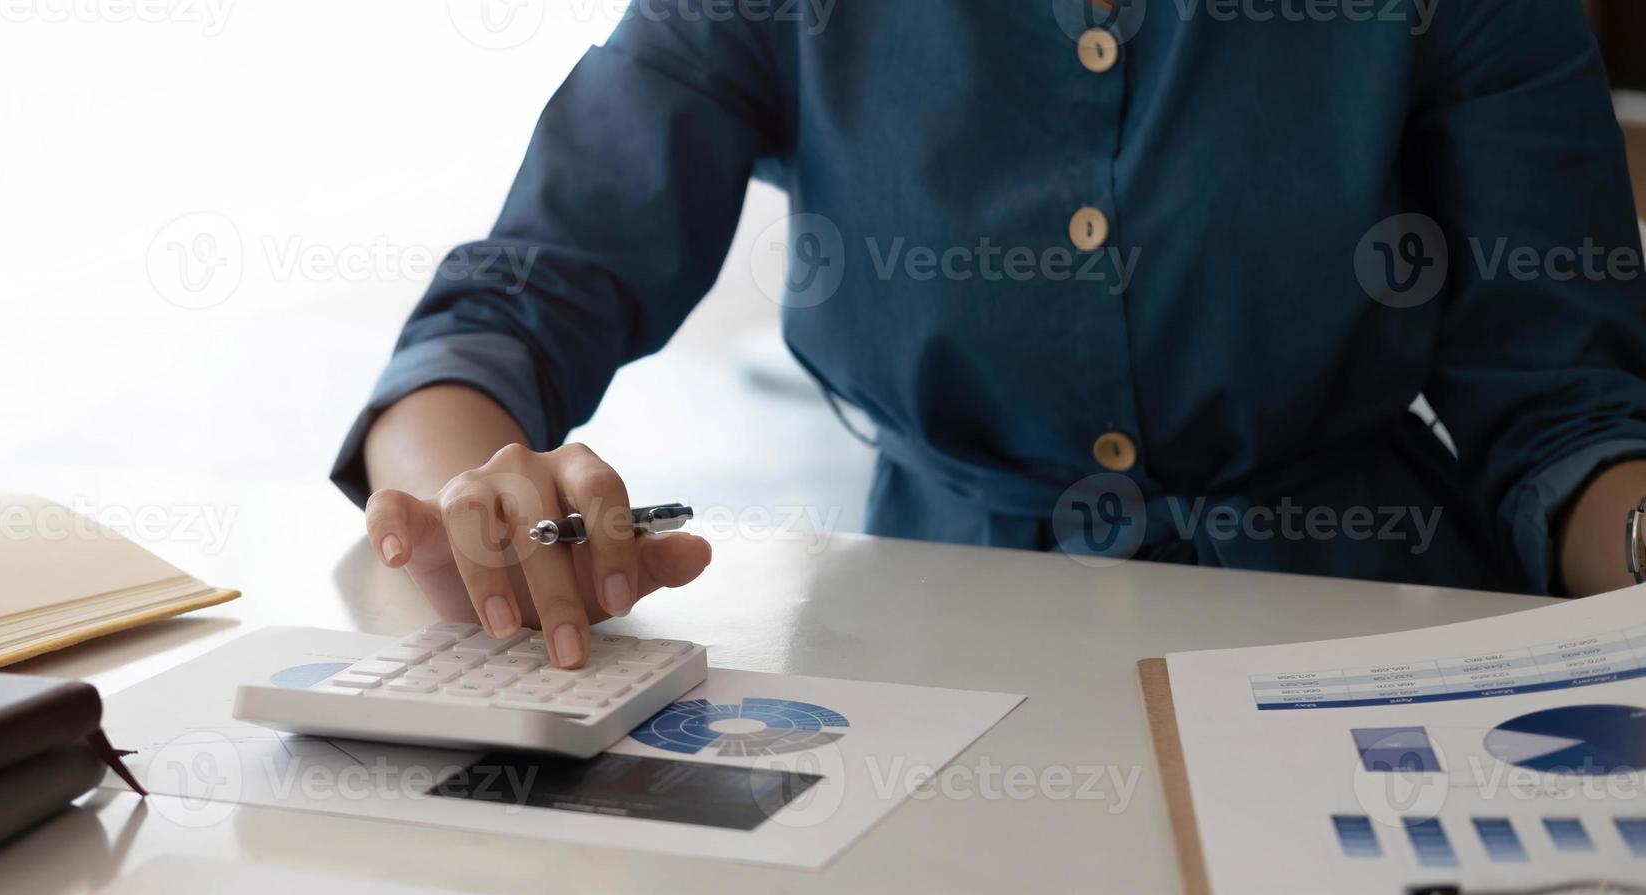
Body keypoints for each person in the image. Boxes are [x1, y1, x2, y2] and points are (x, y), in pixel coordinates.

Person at [331, 2, 1646, 670]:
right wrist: (472, 491)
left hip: (1366, 645)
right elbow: (513, 307)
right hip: (923, 669)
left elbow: (1566, 404)